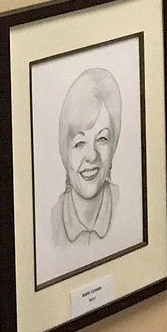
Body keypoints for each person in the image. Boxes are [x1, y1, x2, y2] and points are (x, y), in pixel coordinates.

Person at [49, 69, 122, 248]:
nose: (92, 155)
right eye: (80, 143)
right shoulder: (50, 221)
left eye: (102, 139)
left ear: (113, 145)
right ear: (65, 151)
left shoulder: (129, 206)